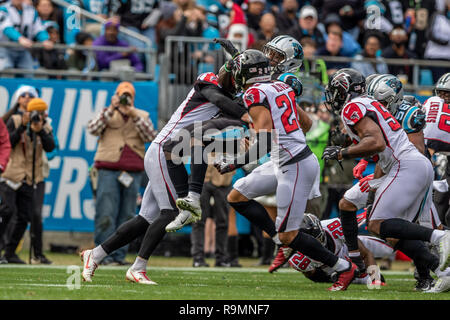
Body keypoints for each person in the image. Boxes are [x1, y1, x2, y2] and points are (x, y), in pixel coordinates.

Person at [80, 66, 247, 284]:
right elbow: (220, 100)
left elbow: (214, 132)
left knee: (145, 218)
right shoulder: (209, 83)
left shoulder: (226, 101)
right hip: (162, 153)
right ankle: (138, 267)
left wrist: (240, 135)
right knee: (171, 213)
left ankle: (96, 254)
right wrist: (246, 115)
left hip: (171, 154)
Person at [216, 49, 359, 291]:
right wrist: (284, 138)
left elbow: (262, 140)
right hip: (287, 160)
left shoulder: (255, 93)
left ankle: (343, 268)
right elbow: (307, 123)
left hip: (294, 165)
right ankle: (280, 240)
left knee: (289, 234)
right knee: (237, 196)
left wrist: (233, 163)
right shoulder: (280, 86)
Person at [321, 68, 450, 291]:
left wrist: (343, 153)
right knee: (389, 230)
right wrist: (356, 151)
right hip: (407, 167)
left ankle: (441, 238)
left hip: (405, 167)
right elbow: (380, 143)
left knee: (377, 224)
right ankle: (441, 271)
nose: (332, 96)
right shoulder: (369, 104)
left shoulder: (354, 107)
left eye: (335, 91)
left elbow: (377, 143)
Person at [87, 81, 157, 265]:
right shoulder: (107, 113)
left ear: (133, 98)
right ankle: (101, 256)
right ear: (116, 96)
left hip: (132, 171)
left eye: (128, 95)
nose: (125, 98)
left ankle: (118, 256)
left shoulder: (141, 115)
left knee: (127, 215)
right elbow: (93, 129)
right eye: (122, 94)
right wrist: (112, 107)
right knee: (106, 214)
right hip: (107, 169)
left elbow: (151, 136)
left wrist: (132, 113)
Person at [1, 96, 55, 264]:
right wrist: (23, 126)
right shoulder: (15, 120)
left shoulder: (44, 126)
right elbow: (8, 141)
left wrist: (40, 130)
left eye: (41, 112)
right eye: (35, 112)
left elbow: (50, 147)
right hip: (12, 173)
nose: (38, 116)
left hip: (30, 178)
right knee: (6, 211)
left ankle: (9, 252)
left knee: (25, 216)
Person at [191, 161, 234, 267]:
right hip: (203, 178)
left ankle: (221, 258)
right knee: (199, 221)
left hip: (224, 179)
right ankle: (198, 257)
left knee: (223, 221)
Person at [423, 73, 450, 227]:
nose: (442, 97)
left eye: (446, 93)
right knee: (440, 200)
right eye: (440, 92)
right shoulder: (435, 109)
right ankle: (439, 241)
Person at [0, 0, 53, 71]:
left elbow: (38, 28)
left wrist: (45, 39)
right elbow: (6, 28)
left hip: (24, 49)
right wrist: (20, 39)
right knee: (7, 73)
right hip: (5, 49)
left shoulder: (31, 10)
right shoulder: (3, 9)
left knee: (28, 73)